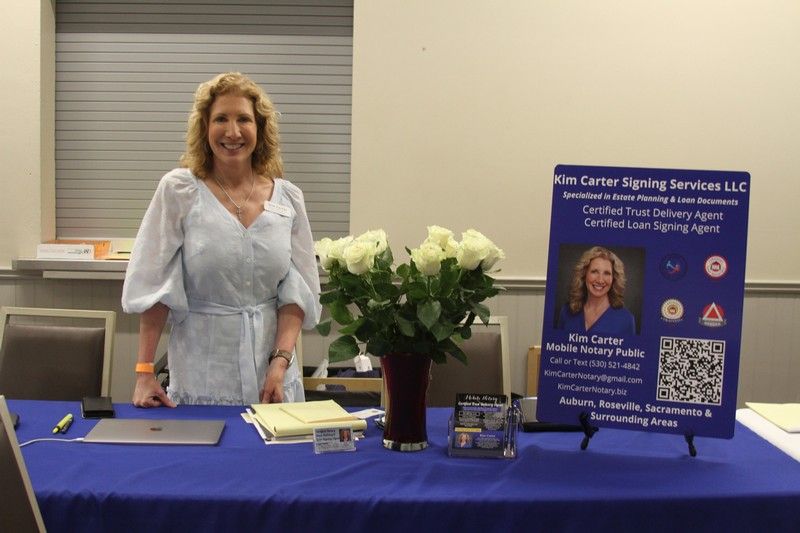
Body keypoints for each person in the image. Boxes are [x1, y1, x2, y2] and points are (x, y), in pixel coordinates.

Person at [122, 72, 321, 408]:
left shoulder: (288, 199)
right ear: (204, 127)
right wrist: (144, 373)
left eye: (243, 119)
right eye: (221, 119)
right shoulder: (179, 191)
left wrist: (280, 362)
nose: (232, 132)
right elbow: (155, 285)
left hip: (272, 377)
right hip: (203, 372)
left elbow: (297, 292)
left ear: (259, 128)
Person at [556, 246, 635, 335]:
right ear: (584, 274)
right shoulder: (566, 312)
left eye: (607, 273)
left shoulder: (626, 320)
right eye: (594, 272)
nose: (600, 280)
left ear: (614, 279)